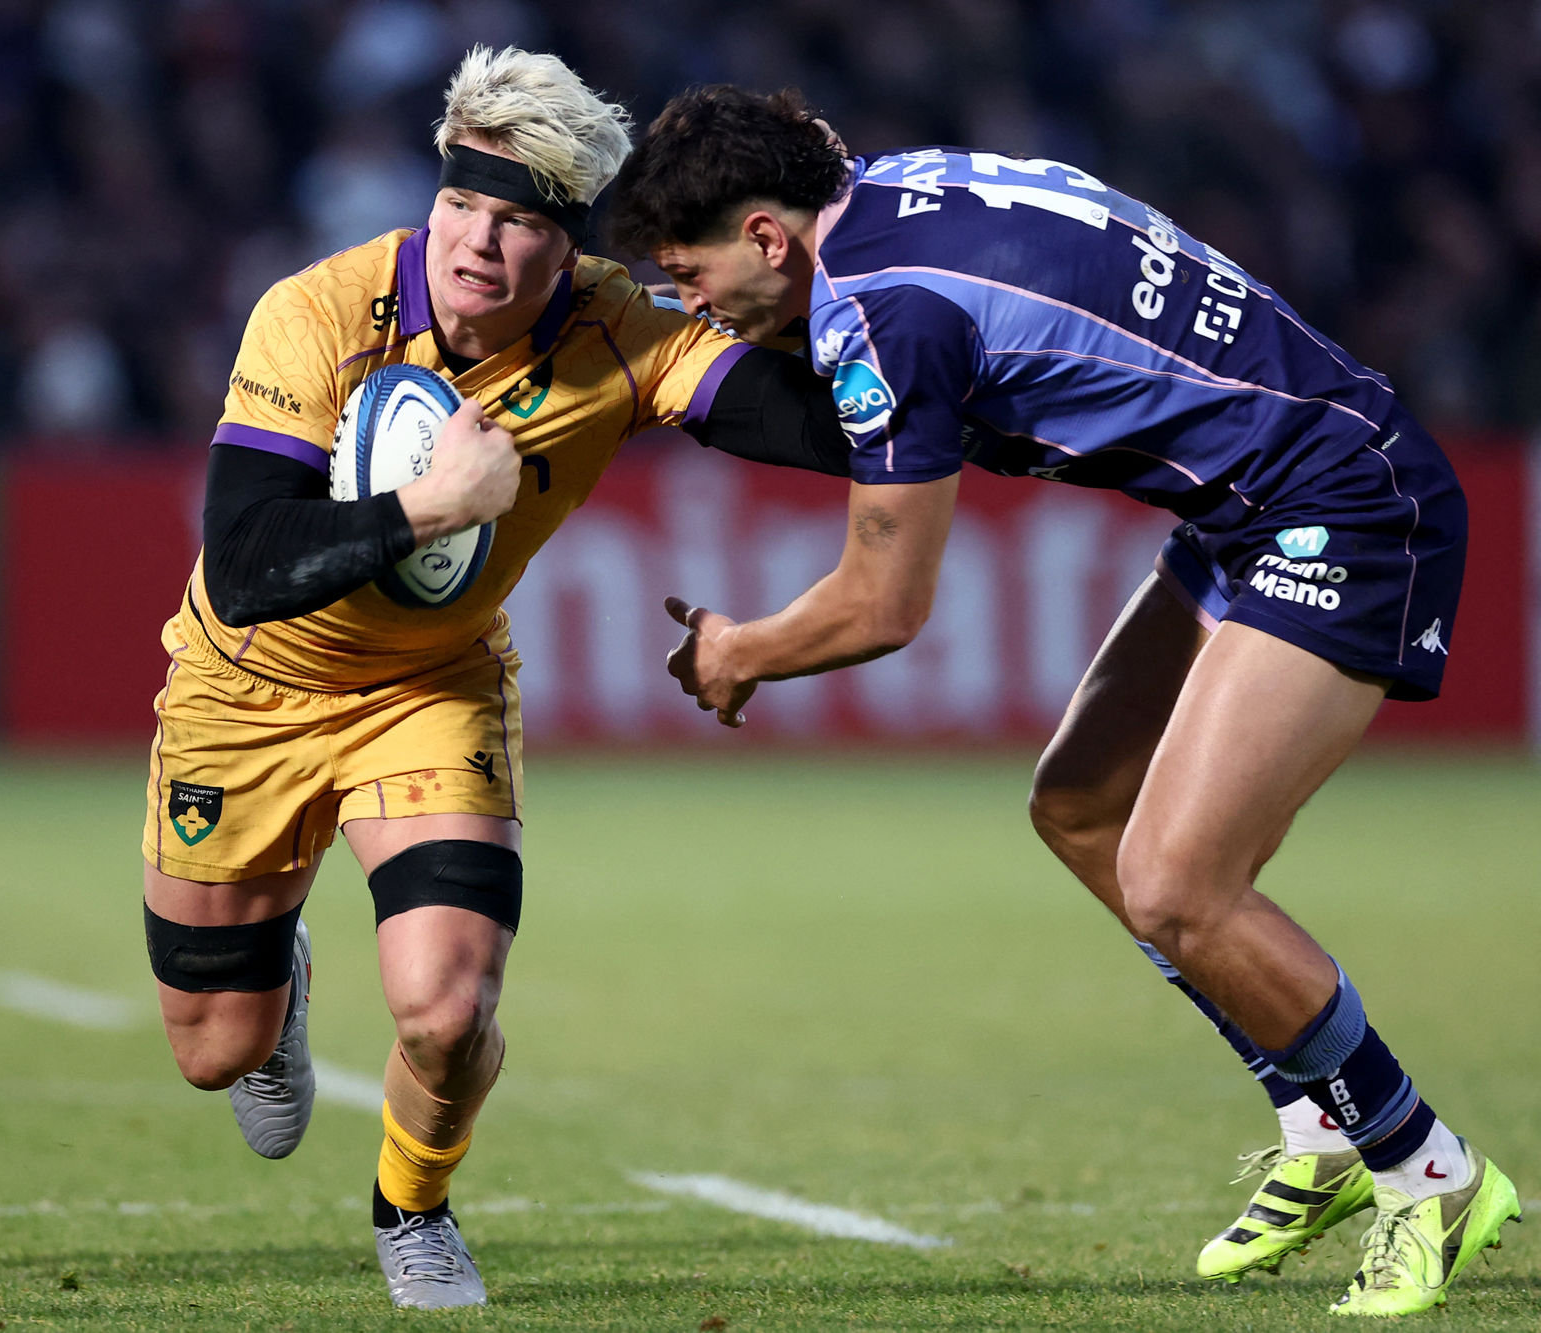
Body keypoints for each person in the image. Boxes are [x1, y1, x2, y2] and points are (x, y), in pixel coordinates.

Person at [609, 87, 1522, 1317]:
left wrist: (740, 649)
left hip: (1343, 508)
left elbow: (883, 604)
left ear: (768, 234)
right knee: (1082, 806)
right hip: (1252, 501)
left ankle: (1429, 1170)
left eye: (689, 272)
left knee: (1175, 885)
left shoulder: (882, 306)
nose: (691, 304)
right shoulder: (900, 189)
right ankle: (1317, 1115)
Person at [141, 51, 850, 1310]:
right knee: (215, 1051)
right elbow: (244, 563)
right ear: (435, 198)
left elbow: (807, 420)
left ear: (565, 244)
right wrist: (429, 506)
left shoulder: (614, 329)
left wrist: (856, 278)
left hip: (430, 687)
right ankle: (278, 976)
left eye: (522, 223)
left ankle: (412, 1207)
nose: (480, 243)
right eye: (465, 206)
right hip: (244, 685)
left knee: (447, 1006)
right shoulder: (316, 312)